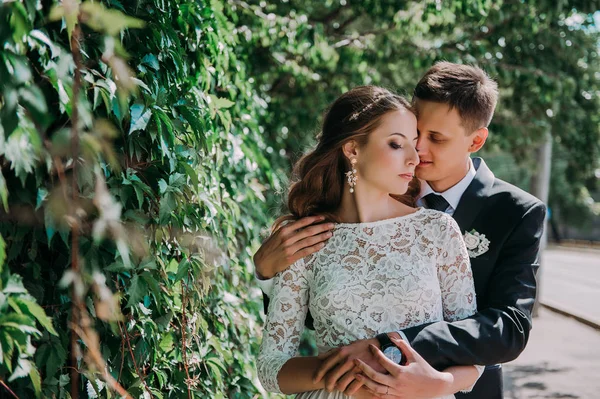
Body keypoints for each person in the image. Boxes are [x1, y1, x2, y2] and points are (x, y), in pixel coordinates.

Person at [255, 62, 546, 399]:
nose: (417, 152)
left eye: (434, 138)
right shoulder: (328, 220)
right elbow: (317, 321)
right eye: (411, 136)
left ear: (476, 140)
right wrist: (267, 273)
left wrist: (392, 352)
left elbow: (506, 328)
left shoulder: (510, 213)